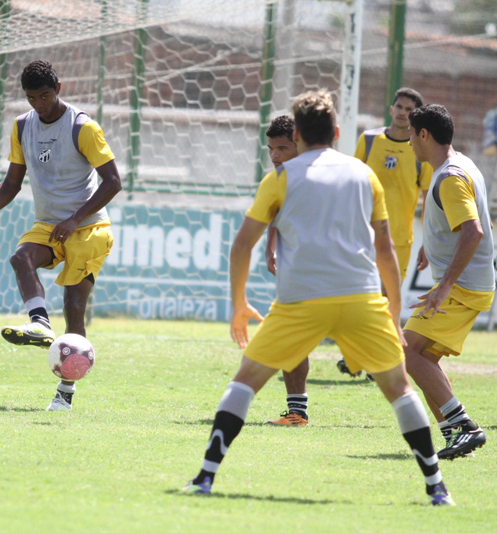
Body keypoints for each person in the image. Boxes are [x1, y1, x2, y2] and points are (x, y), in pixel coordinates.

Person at [182, 90, 453, 506]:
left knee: (245, 383)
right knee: (399, 390)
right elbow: (385, 250)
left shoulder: (280, 177)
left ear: (300, 134)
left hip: (300, 303)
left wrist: (239, 303)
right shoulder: (365, 176)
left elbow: (241, 247)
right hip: (362, 300)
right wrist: (393, 312)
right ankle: (437, 488)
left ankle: (204, 476)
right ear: (337, 132)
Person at [0, 60, 122, 411]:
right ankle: (40, 324)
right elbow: (12, 182)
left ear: (58, 88)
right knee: (21, 257)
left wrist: (76, 218)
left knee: (74, 309)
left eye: (45, 95)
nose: (39, 104)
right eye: (32, 98)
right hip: (49, 224)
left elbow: (114, 182)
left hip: (90, 226)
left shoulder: (82, 127)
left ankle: (65, 394)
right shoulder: (21, 126)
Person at [404, 104, 495, 460]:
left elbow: (472, 230)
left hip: (462, 288)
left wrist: (442, 287)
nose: (409, 142)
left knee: (407, 351)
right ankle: (455, 433)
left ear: (423, 134)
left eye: (412, 134)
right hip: (468, 285)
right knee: (422, 356)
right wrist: (432, 240)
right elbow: (459, 220)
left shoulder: (449, 177)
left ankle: (465, 428)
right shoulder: (458, 164)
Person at [337, 87, 433, 378]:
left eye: (409, 109)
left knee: (386, 299)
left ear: (414, 116)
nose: (403, 112)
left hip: (399, 240)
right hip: (362, 235)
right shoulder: (368, 141)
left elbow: (427, 199)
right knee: (361, 297)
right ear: (391, 108)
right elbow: (351, 184)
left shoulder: (421, 152)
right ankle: (362, 359)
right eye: (399, 106)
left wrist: (427, 241)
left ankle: (368, 360)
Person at [260, 116, 308, 427]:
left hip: (321, 274)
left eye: (282, 148)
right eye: (270, 149)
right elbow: (274, 216)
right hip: (300, 272)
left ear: (298, 145)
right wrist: (270, 247)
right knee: (293, 340)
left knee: (390, 359)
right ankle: (297, 413)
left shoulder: (314, 177)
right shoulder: (278, 179)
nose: (275, 155)